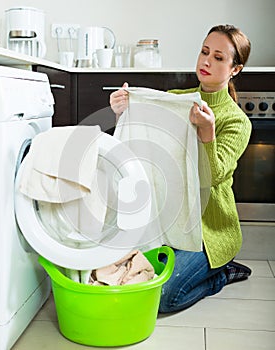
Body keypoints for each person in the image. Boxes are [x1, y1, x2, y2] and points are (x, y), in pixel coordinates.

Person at [109, 24, 252, 313]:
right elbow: (142, 143)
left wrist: (208, 133)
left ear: (235, 69)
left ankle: (221, 273)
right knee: (132, 275)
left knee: (162, 297)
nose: (207, 61)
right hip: (168, 218)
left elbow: (214, 177)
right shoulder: (176, 98)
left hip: (209, 231)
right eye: (204, 52)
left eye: (219, 57)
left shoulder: (236, 122)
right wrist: (123, 110)